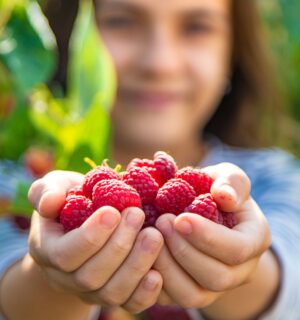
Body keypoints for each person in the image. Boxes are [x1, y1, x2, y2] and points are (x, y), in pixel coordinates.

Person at [1, 0, 300, 319]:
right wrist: (52, 276)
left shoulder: (274, 178)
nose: (160, 63)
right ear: (69, 35)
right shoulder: (15, 183)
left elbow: (291, 276)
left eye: (196, 27)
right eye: (121, 22)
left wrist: (242, 267)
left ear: (234, 52)